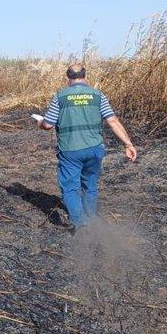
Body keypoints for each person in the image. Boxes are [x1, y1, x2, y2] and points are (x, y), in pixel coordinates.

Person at [37, 64, 136, 231]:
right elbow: (113, 121)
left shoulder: (60, 97)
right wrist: (128, 144)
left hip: (70, 151)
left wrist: (40, 122)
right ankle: (91, 217)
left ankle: (82, 226)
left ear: (68, 78)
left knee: (70, 188)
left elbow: (48, 125)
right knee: (90, 184)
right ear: (84, 76)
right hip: (94, 149)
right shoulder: (98, 95)